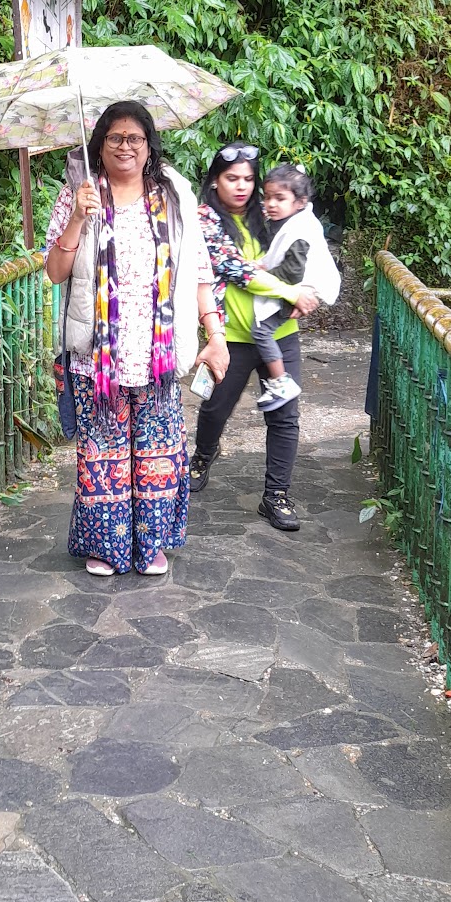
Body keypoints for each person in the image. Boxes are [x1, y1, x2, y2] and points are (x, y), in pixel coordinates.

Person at [45, 101, 230, 577]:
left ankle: (151, 546)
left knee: (156, 454)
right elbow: (54, 271)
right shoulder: (78, 194)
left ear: (149, 146)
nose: (125, 147)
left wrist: (215, 333)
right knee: (103, 454)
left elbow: (199, 268)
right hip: (96, 356)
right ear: (99, 145)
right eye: (115, 138)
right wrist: (77, 220)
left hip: (157, 354)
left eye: (135, 138)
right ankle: (106, 547)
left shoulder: (174, 195)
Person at [189, 143, 320, 532]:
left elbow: (306, 254)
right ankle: (202, 457)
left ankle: (276, 495)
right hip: (229, 336)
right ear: (215, 181)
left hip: (280, 334)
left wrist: (305, 290)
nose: (242, 186)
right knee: (215, 408)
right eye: (232, 178)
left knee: (285, 417)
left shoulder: (275, 214)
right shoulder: (204, 219)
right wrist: (288, 291)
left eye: (248, 179)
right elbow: (231, 268)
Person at [252, 164, 341, 411]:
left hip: (300, 288)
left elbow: (292, 272)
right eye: (267, 197)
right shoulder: (289, 220)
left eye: (280, 198)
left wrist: (263, 272)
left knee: (260, 330)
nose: (271, 204)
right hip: (297, 288)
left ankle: (281, 381)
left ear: (300, 202)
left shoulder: (299, 229)